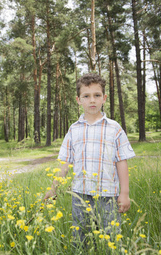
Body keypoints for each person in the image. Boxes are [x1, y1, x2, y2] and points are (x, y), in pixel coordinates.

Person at [44, 73, 135, 248]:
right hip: (80, 194)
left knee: (111, 239)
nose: (92, 100)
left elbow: (122, 161)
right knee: (80, 239)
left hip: (108, 195)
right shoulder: (74, 130)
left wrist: (124, 193)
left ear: (104, 98)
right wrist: (53, 188)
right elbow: (64, 163)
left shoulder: (114, 128)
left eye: (97, 95)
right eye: (86, 96)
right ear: (79, 100)